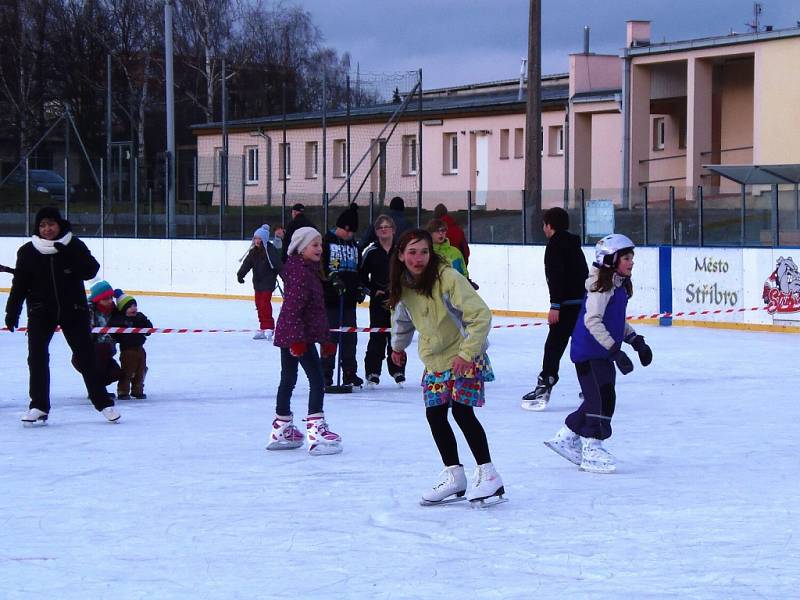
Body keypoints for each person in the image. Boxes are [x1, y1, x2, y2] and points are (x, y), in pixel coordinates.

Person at [388, 229, 505, 506]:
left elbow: (480, 316)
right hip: (435, 360)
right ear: (401, 255)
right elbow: (403, 319)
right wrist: (397, 347)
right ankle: (455, 476)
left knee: (463, 413)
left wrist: (467, 353)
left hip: (465, 354)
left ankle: (489, 475)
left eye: (424, 252)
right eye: (412, 252)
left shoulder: (448, 278)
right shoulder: (404, 286)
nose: (419, 258)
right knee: (436, 415)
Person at [544, 234, 653, 474]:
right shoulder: (600, 288)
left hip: (601, 352)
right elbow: (592, 321)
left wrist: (636, 341)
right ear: (610, 259)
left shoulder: (618, 284)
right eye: (626, 257)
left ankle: (566, 437)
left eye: (631, 257)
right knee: (599, 400)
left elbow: (615, 321)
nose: (631, 262)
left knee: (605, 396)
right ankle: (592, 447)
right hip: (589, 351)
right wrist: (615, 351)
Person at [4, 206, 120, 425]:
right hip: (40, 312)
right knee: (37, 358)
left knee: (86, 357)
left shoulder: (73, 245)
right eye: (42, 225)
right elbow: (19, 284)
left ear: (59, 224)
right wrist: (12, 311)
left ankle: (104, 403)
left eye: (51, 224)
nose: (47, 229)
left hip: (73, 311)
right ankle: (38, 406)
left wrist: (68, 255)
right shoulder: (28, 251)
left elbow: (91, 271)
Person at [269, 226, 341, 455]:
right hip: (298, 336)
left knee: (288, 378)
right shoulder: (302, 273)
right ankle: (316, 429)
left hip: (293, 335)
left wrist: (325, 339)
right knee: (317, 380)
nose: (320, 248)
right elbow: (293, 310)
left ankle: (281, 427)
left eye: (320, 244)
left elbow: (313, 313)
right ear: (301, 248)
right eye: (315, 245)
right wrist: (298, 342)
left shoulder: (303, 270)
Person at [522, 207, 589, 411]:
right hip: (582, 303)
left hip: (565, 305)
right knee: (582, 347)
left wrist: (555, 305)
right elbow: (584, 273)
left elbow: (555, 277)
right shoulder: (575, 244)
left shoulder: (554, 245)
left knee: (554, 346)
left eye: (544, 224)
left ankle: (546, 383)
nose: (543, 228)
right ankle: (590, 387)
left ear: (549, 225)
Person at [321, 203, 366, 389]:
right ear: (342, 227)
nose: (350, 235)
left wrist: (360, 287)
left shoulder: (354, 245)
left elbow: (359, 269)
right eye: (348, 231)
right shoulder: (326, 242)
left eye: (353, 232)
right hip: (331, 300)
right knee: (330, 338)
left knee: (350, 338)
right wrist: (330, 280)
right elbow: (321, 268)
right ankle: (325, 373)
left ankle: (349, 372)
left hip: (348, 301)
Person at [359, 215, 405, 387]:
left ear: (393, 229)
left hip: (399, 300)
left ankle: (398, 370)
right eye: (380, 227)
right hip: (379, 301)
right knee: (377, 336)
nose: (384, 229)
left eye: (387, 226)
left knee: (397, 335)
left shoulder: (401, 251)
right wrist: (372, 291)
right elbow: (362, 276)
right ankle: (372, 372)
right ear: (376, 232)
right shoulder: (371, 252)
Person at [237, 224, 283, 340]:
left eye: (259, 238)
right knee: (258, 305)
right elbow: (247, 264)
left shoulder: (271, 250)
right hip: (257, 283)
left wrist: (285, 278)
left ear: (264, 239)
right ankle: (263, 328)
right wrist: (240, 274)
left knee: (264, 304)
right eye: (255, 238)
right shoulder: (253, 252)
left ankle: (269, 328)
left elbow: (278, 265)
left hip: (268, 282)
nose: (257, 241)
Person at [84, 280, 122, 397]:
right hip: (89, 352)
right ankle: (97, 391)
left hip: (107, 351)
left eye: (111, 297)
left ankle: (96, 387)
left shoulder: (114, 310)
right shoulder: (89, 310)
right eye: (106, 299)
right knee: (99, 358)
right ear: (97, 299)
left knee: (116, 373)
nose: (110, 301)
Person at [110, 293, 153, 400]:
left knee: (141, 370)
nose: (133, 308)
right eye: (130, 306)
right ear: (123, 309)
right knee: (127, 371)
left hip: (140, 348)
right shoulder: (119, 319)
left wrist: (145, 323)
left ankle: (137, 390)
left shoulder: (139, 317)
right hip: (127, 350)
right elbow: (113, 331)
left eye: (135, 305)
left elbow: (149, 329)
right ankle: (123, 391)